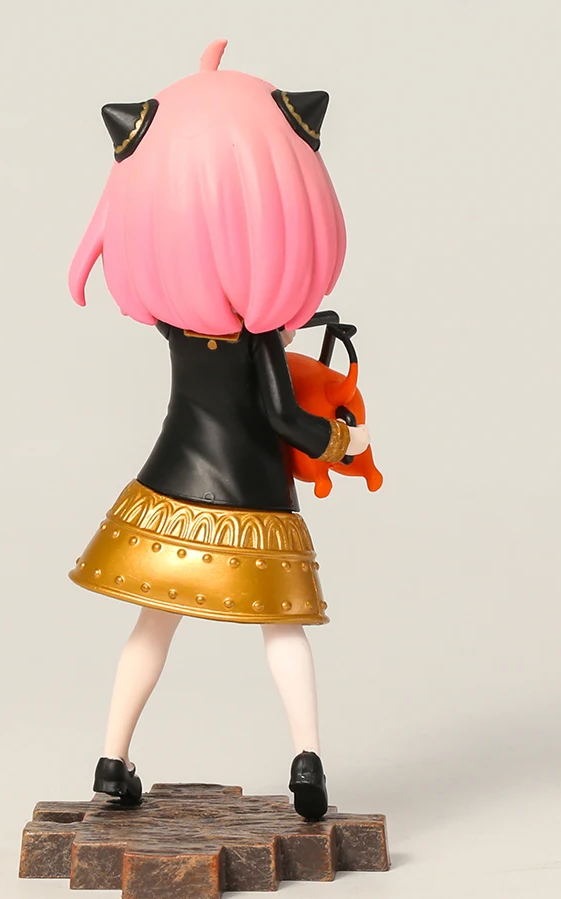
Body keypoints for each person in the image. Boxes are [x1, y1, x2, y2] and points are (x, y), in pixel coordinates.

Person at [67, 39, 370, 820]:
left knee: (153, 623)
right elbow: (280, 418)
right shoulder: (259, 340)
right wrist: (342, 445)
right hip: (255, 497)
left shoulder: (175, 325)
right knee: (284, 631)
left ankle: (112, 760)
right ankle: (307, 762)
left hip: (169, 486)